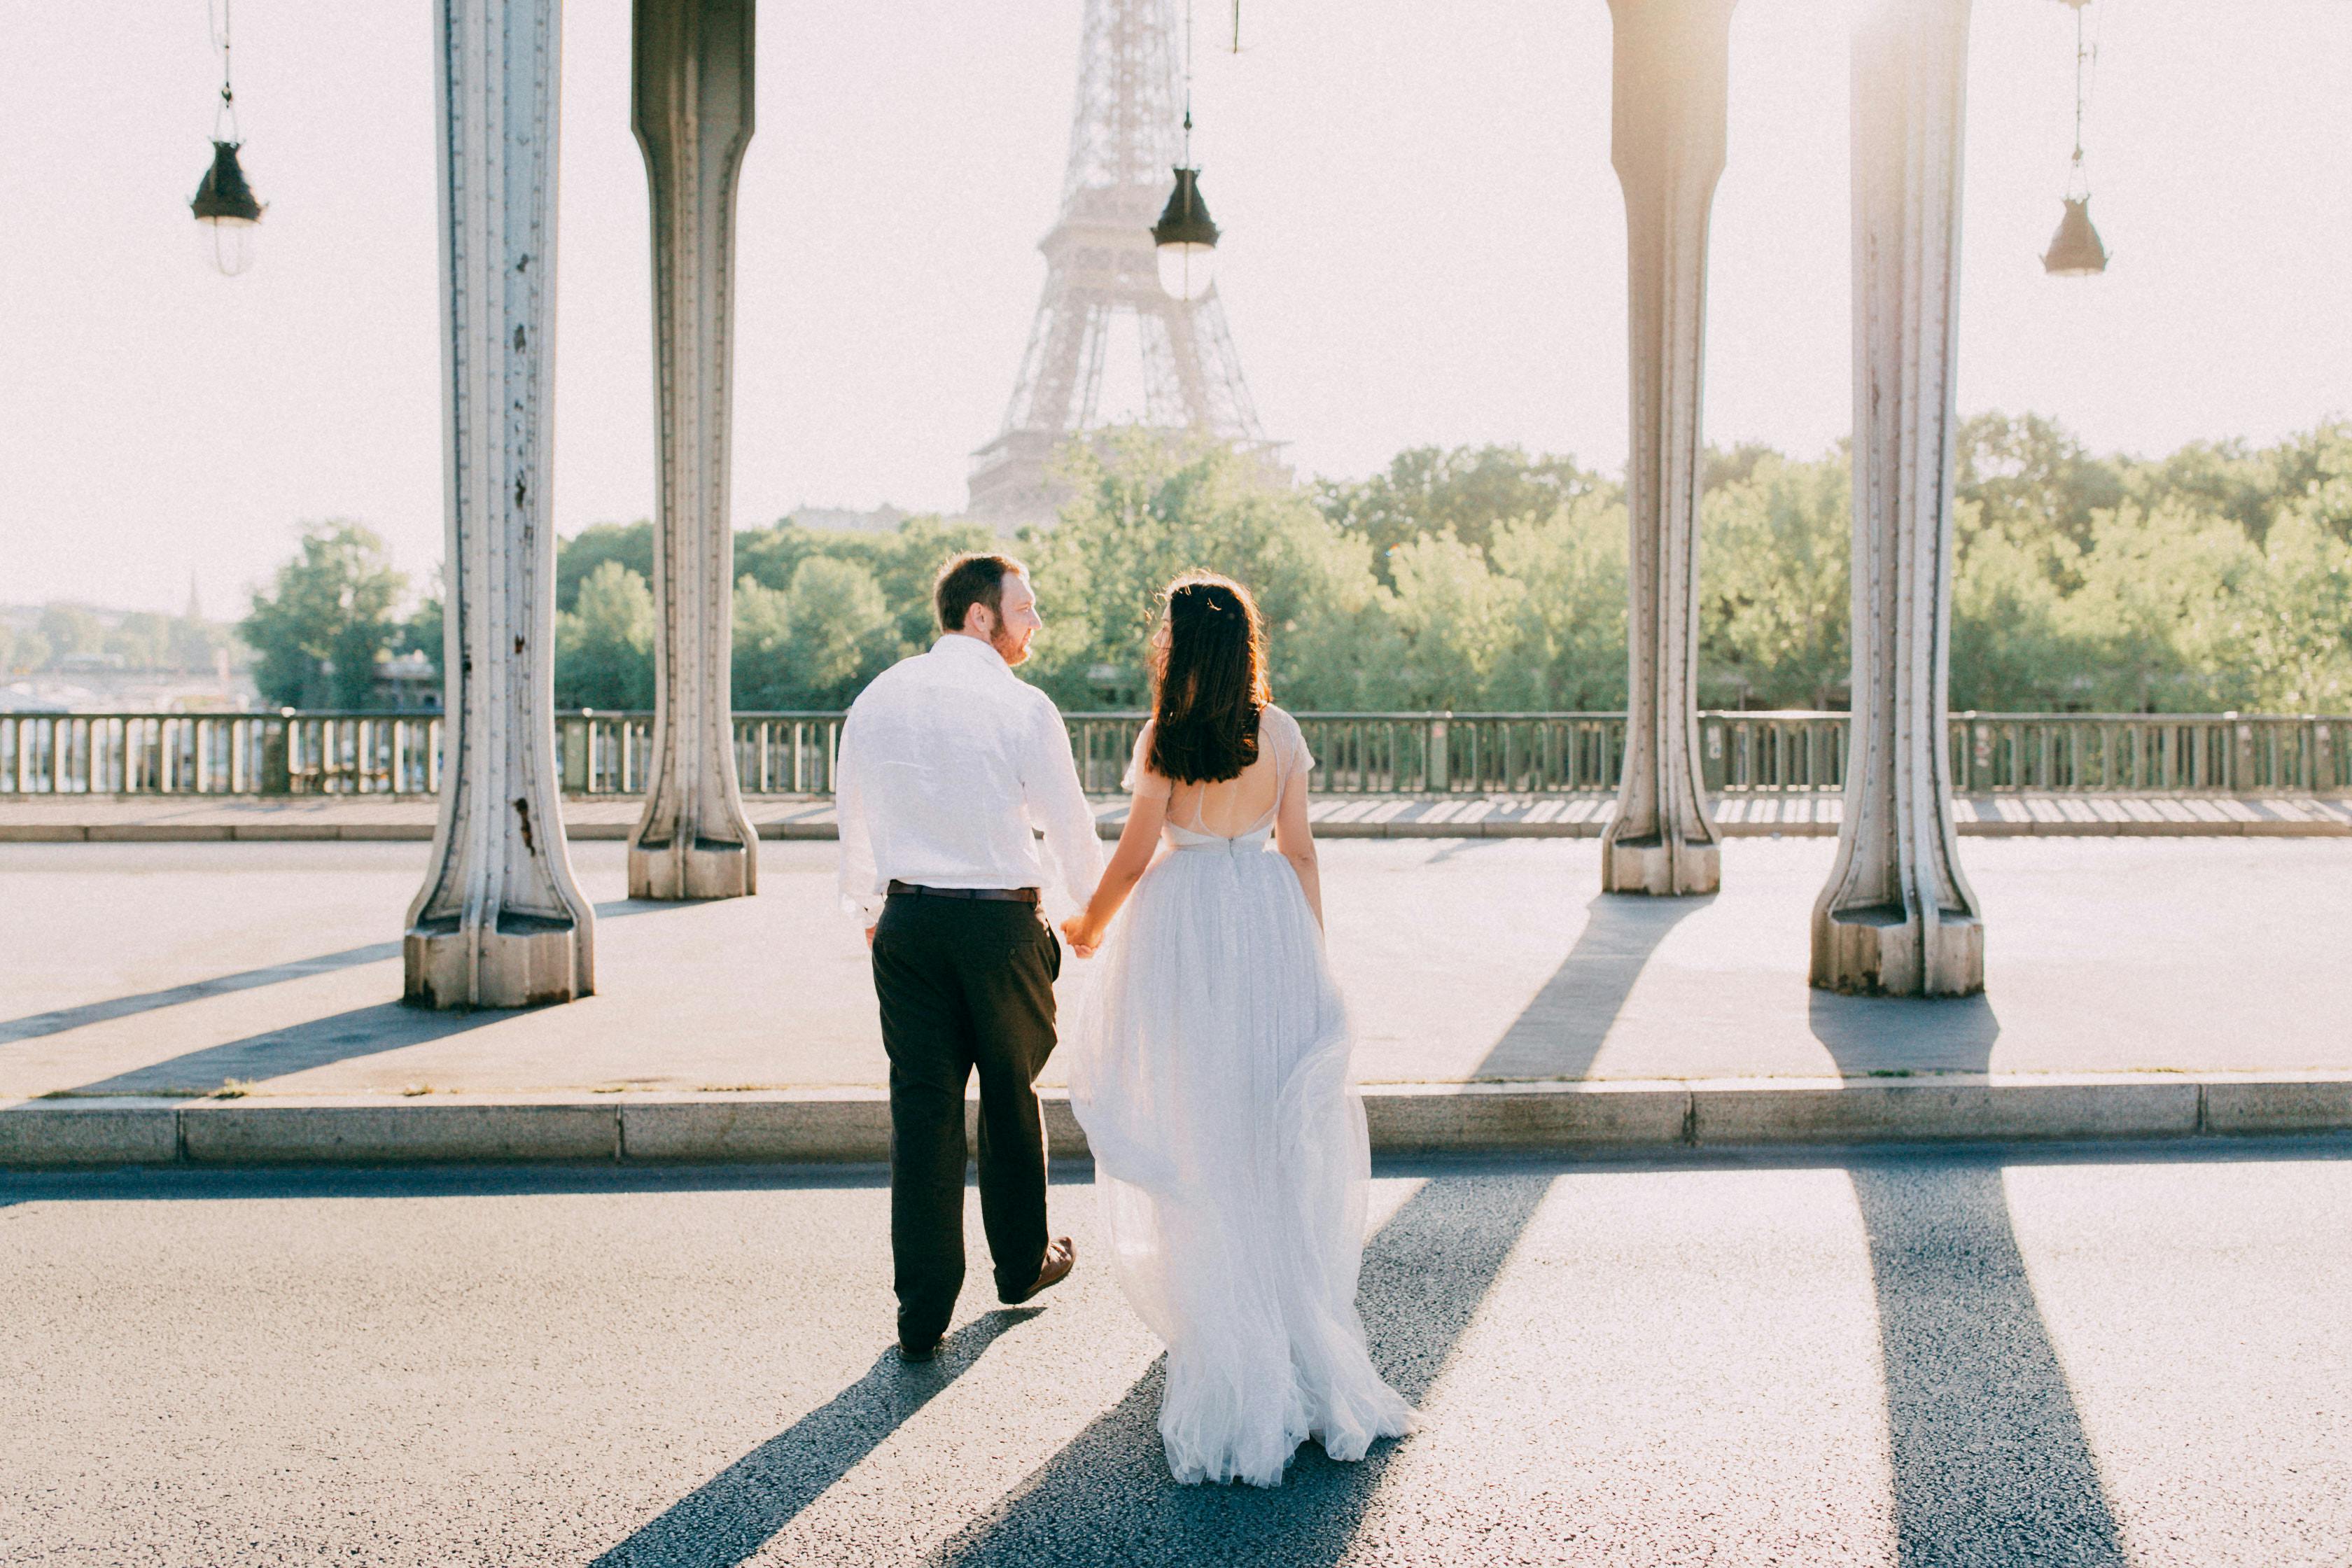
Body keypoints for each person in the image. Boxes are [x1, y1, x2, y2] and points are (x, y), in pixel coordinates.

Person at [1061, 571, 1415, 1488]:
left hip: (1184, 931)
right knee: (1269, 1127)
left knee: (1200, 1117)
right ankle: (1282, 1307)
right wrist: (1314, 954)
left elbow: (1138, 854)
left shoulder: (1163, 739)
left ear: (1176, 647)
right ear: (1248, 642)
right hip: (1263, 927)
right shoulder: (1281, 731)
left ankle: (1217, 1307)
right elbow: (1298, 849)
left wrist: (1092, 924)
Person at [835, 552, 1103, 1364]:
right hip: (999, 926)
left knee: (922, 1112)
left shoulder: (879, 695)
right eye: (1024, 608)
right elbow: (1068, 823)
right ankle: (1020, 1263)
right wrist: (1086, 918)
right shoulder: (1024, 706)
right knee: (1011, 1097)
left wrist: (872, 911)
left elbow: (856, 812)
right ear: (982, 616)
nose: (1035, 623)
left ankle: (922, 1310)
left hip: (910, 922)